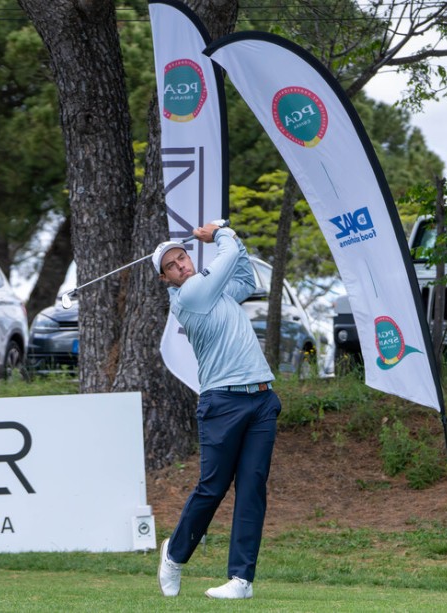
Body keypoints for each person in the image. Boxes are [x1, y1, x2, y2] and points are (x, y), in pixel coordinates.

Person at [153, 220, 281, 600]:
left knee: (252, 488)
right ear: (166, 279)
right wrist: (221, 233)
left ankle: (241, 580)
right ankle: (175, 555)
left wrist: (232, 237)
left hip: (260, 397)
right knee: (212, 487)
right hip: (222, 402)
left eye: (182, 258)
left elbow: (246, 276)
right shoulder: (190, 296)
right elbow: (225, 259)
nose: (182, 266)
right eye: (172, 266)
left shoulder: (218, 294)